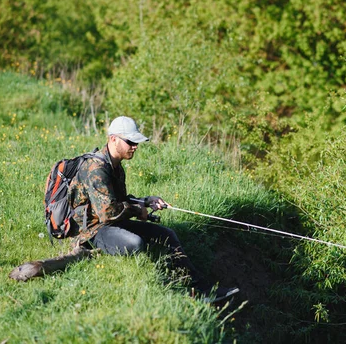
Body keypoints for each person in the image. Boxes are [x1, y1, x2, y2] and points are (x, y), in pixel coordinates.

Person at [67, 116, 239, 302]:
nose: (135, 146)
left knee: (167, 234)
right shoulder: (96, 169)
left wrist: (147, 201)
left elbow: (119, 200)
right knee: (136, 244)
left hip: (110, 222)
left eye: (136, 142)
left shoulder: (116, 166)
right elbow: (107, 212)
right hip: (91, 230)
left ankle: (202, 291)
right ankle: (171, 293)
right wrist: (137, 210)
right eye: (130, 142)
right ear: (113, 139)